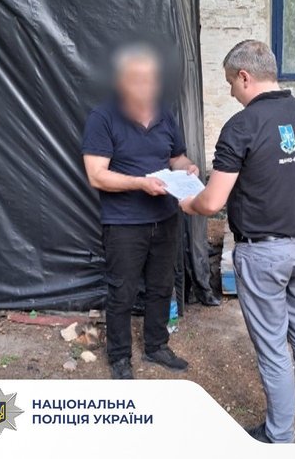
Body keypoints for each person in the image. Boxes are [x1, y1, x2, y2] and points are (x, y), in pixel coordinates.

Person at [180, 40, 295, 443]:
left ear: (245, 76)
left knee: (272, 344)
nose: (231, 91)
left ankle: (279, 435)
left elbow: (212, 201)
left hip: (263, 252)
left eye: (231, 82)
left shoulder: (242, 126)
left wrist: (186, 202)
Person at [82, 44, 199, 379]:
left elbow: (176, 157)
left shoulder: (164, 114)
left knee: (162, 286)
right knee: (122, 291)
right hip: (124, 223)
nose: (145, 87)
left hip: (165, 217)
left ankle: (156, 346)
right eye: (137, 80)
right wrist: (140, 183)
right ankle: (120, 357)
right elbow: (96, 175)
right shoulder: (103, 118)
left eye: (150, 79)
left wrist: (187, 167)